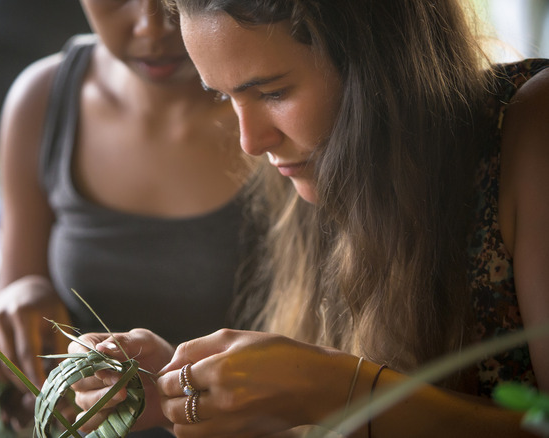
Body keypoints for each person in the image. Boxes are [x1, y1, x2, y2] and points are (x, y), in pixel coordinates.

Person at [69, 0, 549, 436]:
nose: (250, 142)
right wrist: (193, 388)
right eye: (223, 97)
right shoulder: (326, 179)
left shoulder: (533, 126)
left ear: (378, 57)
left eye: (273, 93)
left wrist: (334, 389)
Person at [0, 0, 260, 434]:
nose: (150, 27)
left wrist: (168, 391)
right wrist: (20, 299)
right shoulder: (43, 100)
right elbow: (14, 317)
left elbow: (328, 370)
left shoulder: (272, 118)